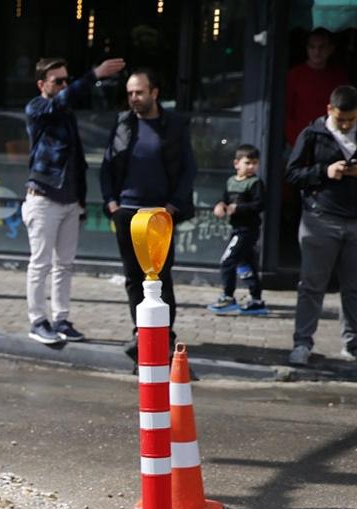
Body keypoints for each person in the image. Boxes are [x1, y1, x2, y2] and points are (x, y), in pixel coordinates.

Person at [285, 85, 357, 367]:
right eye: (341, 119)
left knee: (356, 286)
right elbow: (292, 173)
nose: (346, 125)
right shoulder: (313, 134)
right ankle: (302, 343)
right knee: (312, 284)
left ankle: (355, 343)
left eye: (352, 119)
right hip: (321, 217)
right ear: (329, 110)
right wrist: (325, 171)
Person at [22, 55, 126, 345]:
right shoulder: (38, 107)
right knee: (40, 263)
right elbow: (60, 101)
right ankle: (37, 321)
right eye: (58, 81)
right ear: (42, 84)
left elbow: (76, 161)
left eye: (67, 79)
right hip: (43, 197)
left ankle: (61, 319)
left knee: (64, 264)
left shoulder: (65, 113)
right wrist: (94, 74)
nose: (65, 85)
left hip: (69, 201)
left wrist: (80, 200)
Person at [100, 68, 196, 359]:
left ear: (155, 93)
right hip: (126, 210)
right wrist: (111, 204)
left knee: (159, 275)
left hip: (158, 214)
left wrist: (173, 206)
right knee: (133, 276)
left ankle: (164, 333)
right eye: (130, 93)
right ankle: (140, 330)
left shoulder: (175, 125)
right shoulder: (122, 123)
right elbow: (107, 166)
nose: (134, 98)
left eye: (139, 92)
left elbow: (187, 169)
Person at [208, 144, 268, 316]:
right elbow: (224, 199)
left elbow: (259, 205)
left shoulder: (256, 183)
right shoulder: (231, 181)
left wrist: (239, 208)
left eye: (255, 163)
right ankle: (256, 300)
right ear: (236, 163)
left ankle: (227, 297)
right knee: (247, 264)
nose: (251, 167)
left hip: (247, 230)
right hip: (236, 229)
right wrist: (220, 206)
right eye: (247, 163)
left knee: (227, 261)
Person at [286, 29, 349, 148]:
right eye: (312, 47)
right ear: (307, 49)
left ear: (331, 49)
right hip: (300, 142)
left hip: (331, 143)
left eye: (322, 47)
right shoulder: (294, 76)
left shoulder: (339, 77)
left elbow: (346, 111)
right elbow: (287, 113)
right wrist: (296, 141)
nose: (317, 51)